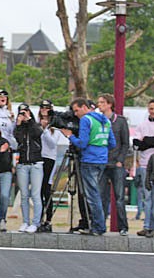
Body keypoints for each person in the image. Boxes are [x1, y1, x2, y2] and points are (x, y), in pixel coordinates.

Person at [61, 98, 116, 236]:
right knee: (96, 193)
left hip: (89, 159)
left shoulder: (87, 120)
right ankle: (98, 224)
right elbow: (112, 143)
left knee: (92, 195)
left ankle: (98, 226)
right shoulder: (105, 120)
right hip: (101, 159)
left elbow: (82, 143)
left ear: (84, 107)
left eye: (77, 110)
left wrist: (70, 136)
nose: (76, 114)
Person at [96, 93, 129, 236]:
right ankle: (100, 225)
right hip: (102, 163)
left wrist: (121, 160)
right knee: (101, 196)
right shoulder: (98, 120)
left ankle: (123, 227)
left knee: (119, 197)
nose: (99, 105)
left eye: (102, 102)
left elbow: (126, 143)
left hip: (116, 164)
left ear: (109, 104)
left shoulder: (120, 121)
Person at [14, 103, 44, 233]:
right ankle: (25, 221)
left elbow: (38, 133)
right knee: (24, 195)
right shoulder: (19, 127)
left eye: (25, 112)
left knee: (36, 195)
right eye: (21, 112)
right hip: (22, 164)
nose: (23, 114)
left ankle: (36, 222)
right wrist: (19, 123)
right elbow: (17, 138)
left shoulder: (35, 125)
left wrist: (29, 120)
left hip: (36, 164)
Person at [38, 99, 62, 232]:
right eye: (42, 107)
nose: (44, 110)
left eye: (47, 108)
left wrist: (45, 130)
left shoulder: (54, 125)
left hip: (49, 158)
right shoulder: (36, 123)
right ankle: (38, 217)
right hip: (38, 157)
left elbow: (53, 144)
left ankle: (48, 218)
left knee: (47, 189)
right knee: (38, 190)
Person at [133, 99, 154, 237]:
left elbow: (144, 142)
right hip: (146, 164)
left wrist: (147, 141)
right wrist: (147, 142)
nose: (152, 111)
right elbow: (136, 144)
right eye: (151, 108)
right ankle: (148, 226)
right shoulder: (142, 125)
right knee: (148, 198)